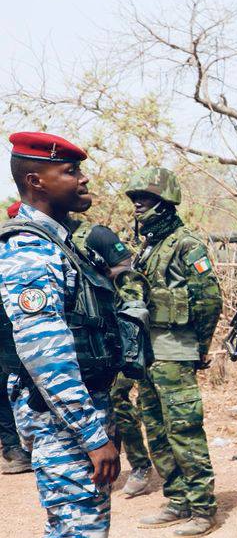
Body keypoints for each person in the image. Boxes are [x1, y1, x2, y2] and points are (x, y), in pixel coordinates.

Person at [2, 132, 125, 538]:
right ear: (35, 181)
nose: (82, 181)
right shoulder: (29, 250)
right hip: (63, 421)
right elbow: (46, 357)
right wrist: (92, 433)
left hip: (74, 416)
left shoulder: (60, 244)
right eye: (71, 172)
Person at [125, 168, 223, 538]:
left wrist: (199, 347)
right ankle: (178, 497)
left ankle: (202, 507)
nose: (138, 205)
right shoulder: (149, 246)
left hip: (176, 350)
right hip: (149, 353)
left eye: (145, 199)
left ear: (165, 203)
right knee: (156, 427)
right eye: (135, 199)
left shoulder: (186, 244)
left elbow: (209, 299)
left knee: (184, 429)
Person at [65, 197, 153, 499]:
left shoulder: (95, 235)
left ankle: (140, 465)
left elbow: (127, 272)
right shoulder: (47, 238)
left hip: (112, 334)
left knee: (118, 397)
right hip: (79, 339)